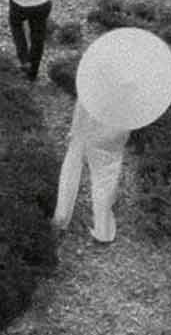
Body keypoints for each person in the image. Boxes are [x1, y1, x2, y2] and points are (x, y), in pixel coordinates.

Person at [53, 95, 130, 245]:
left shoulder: (94, 76)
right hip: (112, 136)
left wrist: (74, 129)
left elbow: (82, 103)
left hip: (85, 128)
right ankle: (103, 231)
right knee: (105, 181)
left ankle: (61, 217)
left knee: (70, 171)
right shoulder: (134, 89)